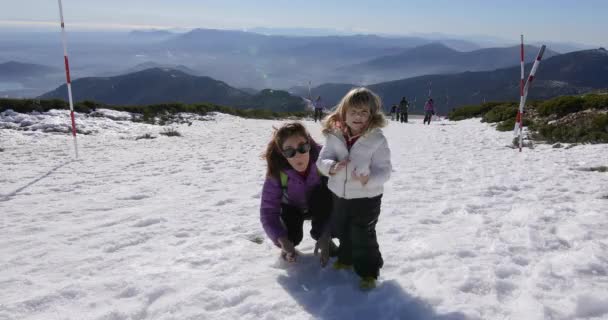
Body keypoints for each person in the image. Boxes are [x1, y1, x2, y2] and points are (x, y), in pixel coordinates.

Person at [316, 87, 392, 290]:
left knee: (362, 234)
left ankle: (368, 271)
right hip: (339, 194)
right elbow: (322, 160)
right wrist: (331, 167)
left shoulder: (376, 139)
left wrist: (368, 179)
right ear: (344, 112)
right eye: (353, 112)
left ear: (371, 115)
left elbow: (385, 170)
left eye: (364, 112)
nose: (358, 117)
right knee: (341, 229)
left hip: (367, 198)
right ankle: (346, 258)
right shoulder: (335, 135)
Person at [260, 122, 335, 263]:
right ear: (282, 154)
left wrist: (326, 233)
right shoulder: (277, 172)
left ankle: (324, 238)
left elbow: (341, 197)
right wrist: (282, 240)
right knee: (291, 237)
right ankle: (289, 247)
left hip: (320, 205)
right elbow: (268, 210)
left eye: (302, 147)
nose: (297, 155)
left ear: (309, 145)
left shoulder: (324, 160)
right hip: (292, 209)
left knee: (323, 195)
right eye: (289, 151)